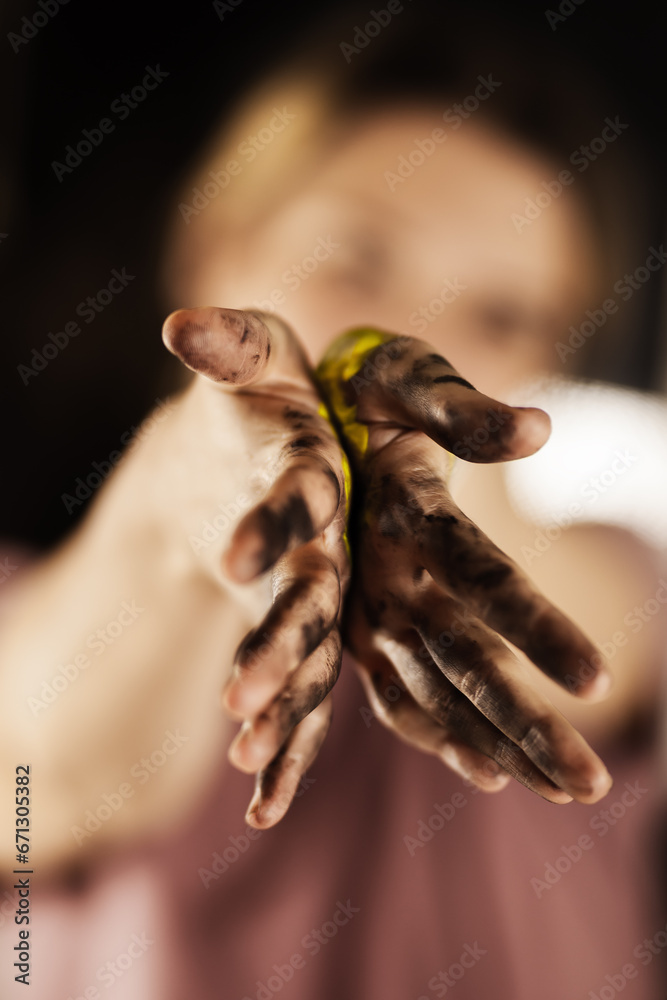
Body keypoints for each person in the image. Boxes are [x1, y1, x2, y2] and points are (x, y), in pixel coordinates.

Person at [1, 5, 664, 998]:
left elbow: (610, 650)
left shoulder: (617, 572)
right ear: (210, 247)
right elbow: (39, 777)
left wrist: (441, 493)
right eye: (356, 257)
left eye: (501, 313)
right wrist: (187, 510)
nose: (416, 330)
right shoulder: (37, 613)